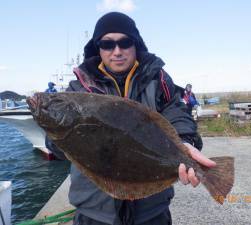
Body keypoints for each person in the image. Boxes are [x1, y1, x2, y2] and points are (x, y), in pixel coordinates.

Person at [46, 12, 215, 225]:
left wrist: (184, 143)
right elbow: (56, 150)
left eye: (125, 42)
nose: (117, 51)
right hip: (95, 211)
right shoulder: (77, 90)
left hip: (151, 210)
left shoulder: (158, 79)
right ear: (97, 48)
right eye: (107, 44)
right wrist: (58, 135)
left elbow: (176, 112)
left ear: (136, 44)